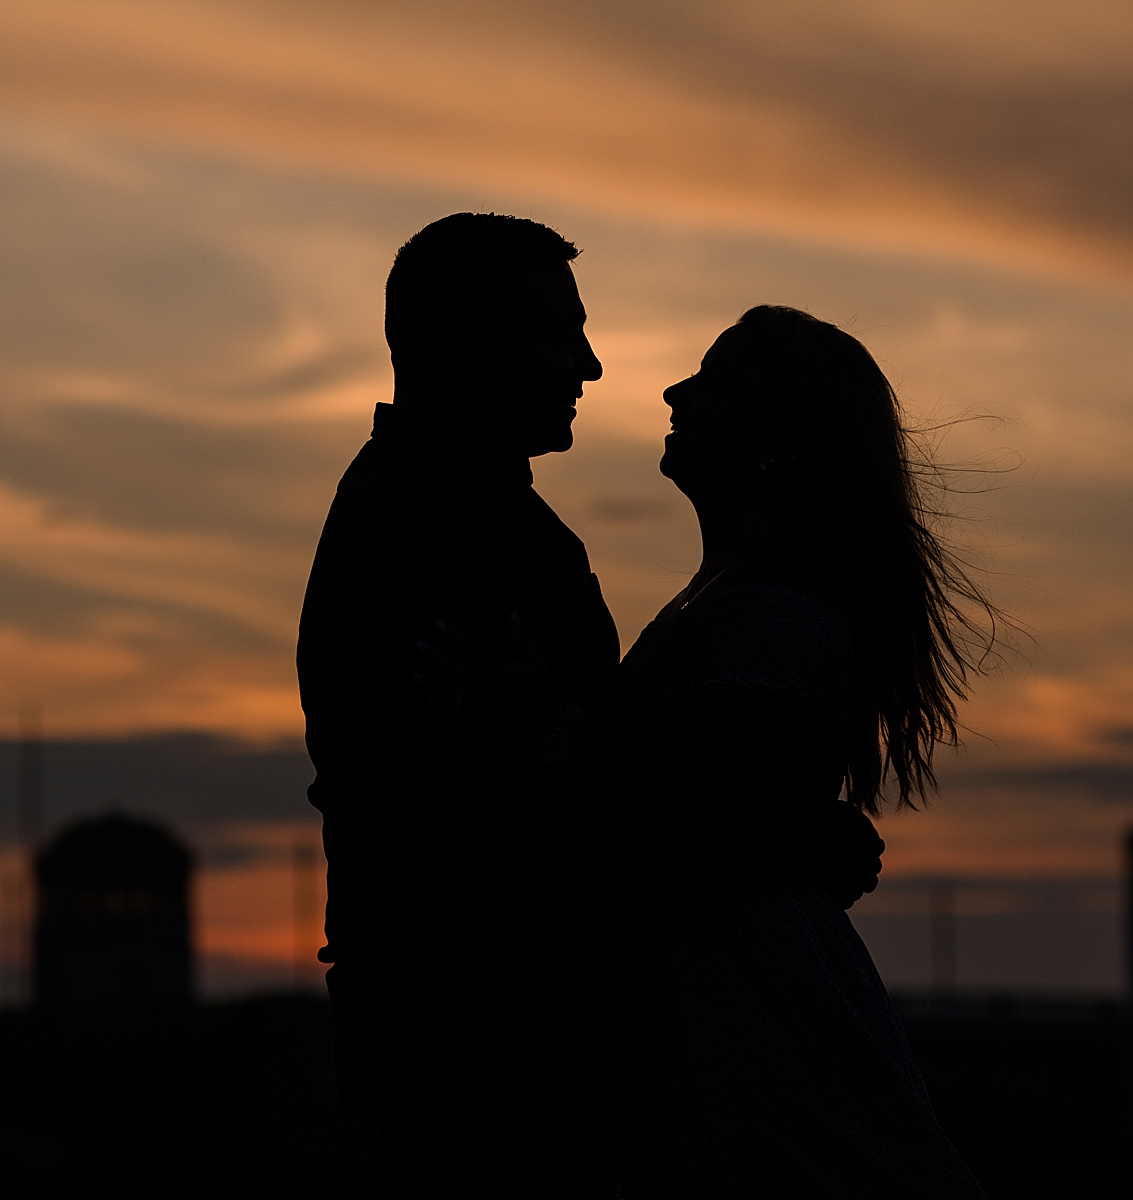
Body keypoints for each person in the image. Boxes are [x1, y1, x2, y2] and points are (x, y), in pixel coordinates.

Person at [299, 219, 884, 1198]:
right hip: (493, 1048)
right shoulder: (439, 535)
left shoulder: (476, 519)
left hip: (504, 1038)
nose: (593, 364)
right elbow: (538, 820)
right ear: (474, 340)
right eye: (558, 333)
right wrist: (794, 848)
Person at [420, 305, 993, 1198]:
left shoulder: (775, 611)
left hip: (746, 999)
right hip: (709, 989)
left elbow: (724, 805)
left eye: (716, 382)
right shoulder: (733, 592)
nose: (675, 391)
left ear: (785, 440)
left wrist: (553, 726)